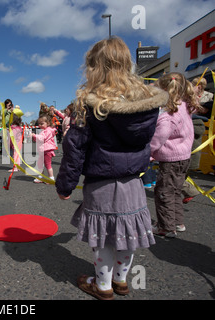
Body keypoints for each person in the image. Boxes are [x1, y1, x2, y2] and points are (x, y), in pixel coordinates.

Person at [55, 37, 168, 300]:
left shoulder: (90, 103)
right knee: (127, 236)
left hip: (102, 183)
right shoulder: (147, 104)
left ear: (94, 67)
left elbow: (75, 149)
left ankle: (102, 286)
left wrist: (65, 185)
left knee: (103, 238)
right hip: (133, 183)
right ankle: (121, 282)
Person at [150, 73, 201, 238]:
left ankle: (165, 227)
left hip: (170, 159)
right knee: (175, 190)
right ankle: (178, 222)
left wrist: (148, 153)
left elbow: (158, 138)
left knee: (163, 191)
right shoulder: (185, 107)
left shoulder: (168, 116)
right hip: (183, 157)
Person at [30, 115, 56, 183]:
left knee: (48, 165)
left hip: (47, 150)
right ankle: (41, 177)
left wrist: (34, 136)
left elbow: (43, 138)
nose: (40, 125)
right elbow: (40, 139)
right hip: (43, 150)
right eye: (39, 124)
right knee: (40, 164)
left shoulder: (48, 130)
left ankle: (51, 178)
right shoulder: (44, 131)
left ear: (48, 123)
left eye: (42, 123)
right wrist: (34, 137)